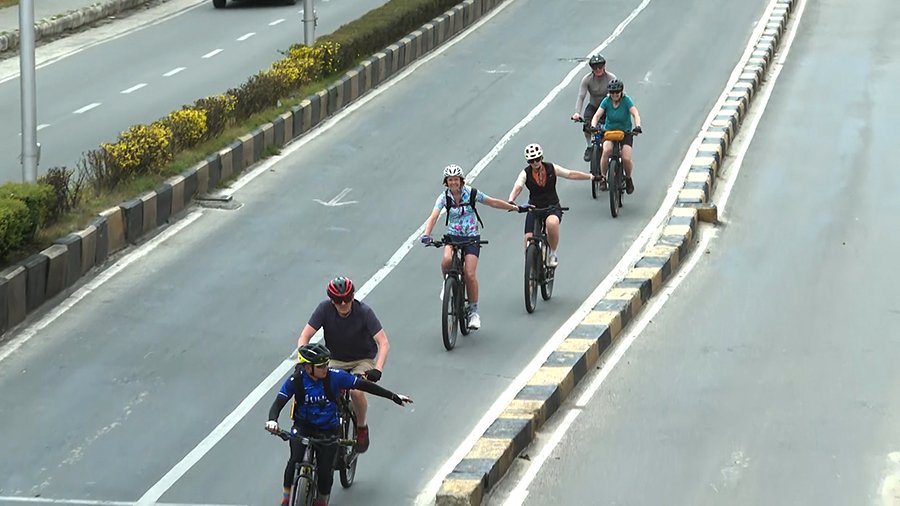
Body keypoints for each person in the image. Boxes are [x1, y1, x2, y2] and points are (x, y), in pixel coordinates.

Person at [266, 343, 412, 506]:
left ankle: (322, 501)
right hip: (303, 427)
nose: (326, 368)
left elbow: (363, 385)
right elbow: (278, 403)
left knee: (325, 473)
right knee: (294, 460)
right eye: (321, 366)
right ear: (308, 368)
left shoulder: (335, 377)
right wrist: (272, 420)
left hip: (328, 430)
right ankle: (286, 498)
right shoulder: (296, 380)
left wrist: (393, 396)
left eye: (326, 364)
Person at [420, 164, 524, 330]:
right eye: (450, 180)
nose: (453, 182)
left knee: (469, 273)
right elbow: (434, 216)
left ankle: (473, 312)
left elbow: (492, 202)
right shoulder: (444, 197)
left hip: (471, 237)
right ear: (446, 182)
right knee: (446, 260)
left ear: (461, 180)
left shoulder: (472, 193)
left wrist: (514, 207)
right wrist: (427, 234)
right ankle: (447, 282)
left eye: (456, 179)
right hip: (453, 236)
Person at [297, 276, 388, 454]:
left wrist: (377, 369)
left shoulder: (364, 312)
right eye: (338, 300)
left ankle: (361, 427)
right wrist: (304, 360)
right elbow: (304, 337)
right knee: (319, 386)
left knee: (356, 391)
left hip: (362, 360)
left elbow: (383, 343)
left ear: (353, 296)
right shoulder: (324, 309)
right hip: (335, 359)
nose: (344, 303)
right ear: (332, 300)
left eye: (347, 298)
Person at [507, 143, 600, 267]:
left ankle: (552, 253)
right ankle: (531, 272)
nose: (535, 163)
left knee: (552, 223)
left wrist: (591, 177)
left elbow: (570, 174)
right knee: (528, 240)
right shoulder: (525, 173)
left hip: (552, 207)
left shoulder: (551, 168)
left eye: (537, 159)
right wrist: (511, 199)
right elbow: (518, 186)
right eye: (531, 161)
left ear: (542, 158)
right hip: (534, 208)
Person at [590, 79, 643, 194]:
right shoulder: (606, 101)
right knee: (606, 151)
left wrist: (637, 126)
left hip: (625, 133)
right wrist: (593, 126)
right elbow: (597, 115)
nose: (614, 95)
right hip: (610, 132)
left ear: (621, 92)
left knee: (626, 158)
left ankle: (628, 178)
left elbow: (635, 113)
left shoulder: (626, 100)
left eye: (617, 92)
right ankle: (603, 177)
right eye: (612, 92)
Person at [571, 54, 617, 162]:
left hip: (608, 108)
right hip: (593, 107)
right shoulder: (587, 79)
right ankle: (589, 147)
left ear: (604, 66)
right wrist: (577, 113)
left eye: (600, 66)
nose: (598, 69)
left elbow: (619, 94)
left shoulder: (611, 78)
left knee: (612, 127)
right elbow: (581, 96)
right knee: (587, 125)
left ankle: (615, 148)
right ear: (592, 68)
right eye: (595, 67)